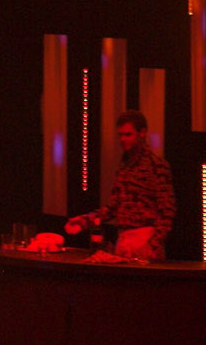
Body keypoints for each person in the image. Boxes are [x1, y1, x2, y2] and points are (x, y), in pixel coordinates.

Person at [65, 110, 175, 261]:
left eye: (128, 134)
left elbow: (167, 211)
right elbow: (113, 208)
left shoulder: (156, 165)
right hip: (124, 240)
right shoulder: (124, 167)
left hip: (146, 239)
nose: (123, 139)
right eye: (120, 135)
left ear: (142, 133)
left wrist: (153, 245)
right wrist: (85, 220)